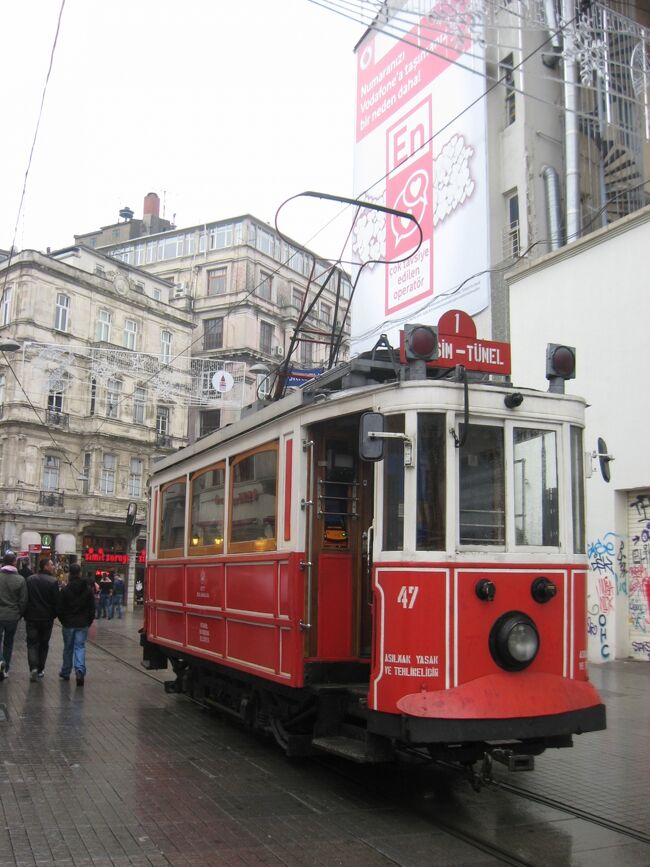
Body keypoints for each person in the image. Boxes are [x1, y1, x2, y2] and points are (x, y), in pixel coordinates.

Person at [56, 562, 95, 686]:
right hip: (82, 623)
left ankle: (66, 671)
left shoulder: (65, 589)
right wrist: (88, 621)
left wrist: (63, 620)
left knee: (68, 648)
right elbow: (92, 608)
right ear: (80, 573)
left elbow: (60, 608)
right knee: (80, 647)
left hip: (68, 624)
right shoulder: (87, 589)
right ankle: (79, 670)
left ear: (70, 574)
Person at [24, 557, 60, 681]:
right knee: (44, 644)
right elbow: (56, 601)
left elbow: (25, 598)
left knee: (32, 643)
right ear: (45, 566)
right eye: (51, 565)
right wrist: (54, 614)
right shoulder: (53, 581)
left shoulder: (30, 579)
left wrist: (25, 613)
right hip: (47, 618)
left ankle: (33, 667)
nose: (53, 566)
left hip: (32, 617)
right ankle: (40, 669)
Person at [0, 551, 28, 680]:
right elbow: (23, 600)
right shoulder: (20, 579)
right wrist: (19, 614)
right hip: (12, 616)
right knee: (8, 642)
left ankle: (0, 661)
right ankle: (5, 668)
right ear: (13, 562)